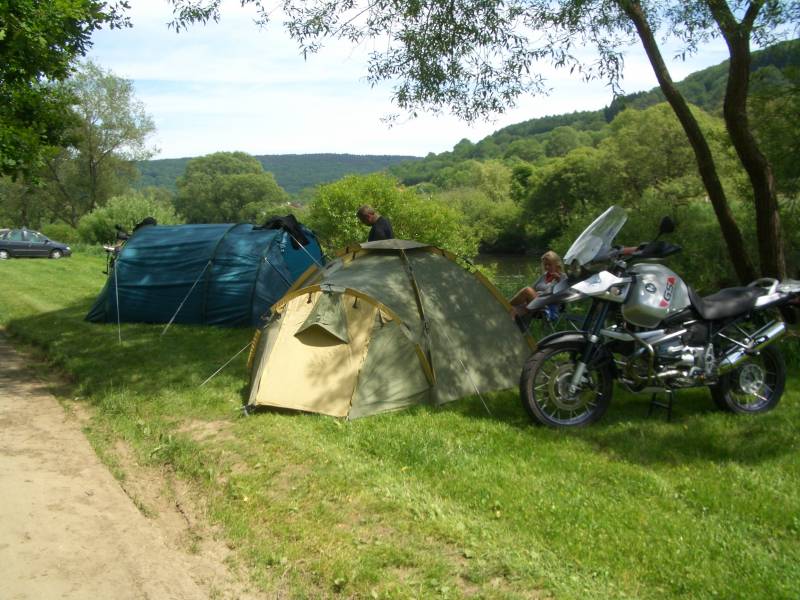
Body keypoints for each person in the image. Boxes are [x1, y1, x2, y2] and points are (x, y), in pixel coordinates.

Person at [509, 250, 564, 323]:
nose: (547, 267)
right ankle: (510, 316)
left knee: (527, 290)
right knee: (512, 310)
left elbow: (563, 294)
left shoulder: (562, 277)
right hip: (534, 302)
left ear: (556, 265)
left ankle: (504, 304)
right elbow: (532, 288)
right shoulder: (544, 276)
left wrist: (559, 281)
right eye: (545, 265)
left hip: (547, 305)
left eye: (549, 264)